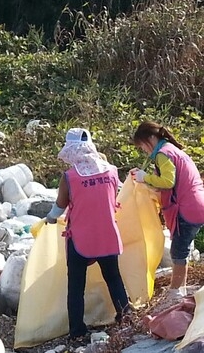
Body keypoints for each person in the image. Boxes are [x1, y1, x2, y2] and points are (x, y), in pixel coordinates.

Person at [45, 128, 129, 340]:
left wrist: (50, 219)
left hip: (80, 239)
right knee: (113, 278)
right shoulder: (111, 171)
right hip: (107, 234)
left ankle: (77, 331)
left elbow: (59, 206)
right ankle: (126, 317)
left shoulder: (69, 177)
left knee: (76, 287)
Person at [131, 121, 204, 300]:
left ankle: (175, 292)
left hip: (188, 207)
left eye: (142, 146)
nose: (144, 151)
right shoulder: (172, 150)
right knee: (182, 249)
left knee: (179, 251)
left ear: (150, 138)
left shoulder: (163, 154)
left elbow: (168, 182)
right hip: (196, 204)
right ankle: (181, 290)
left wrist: (144, 177)